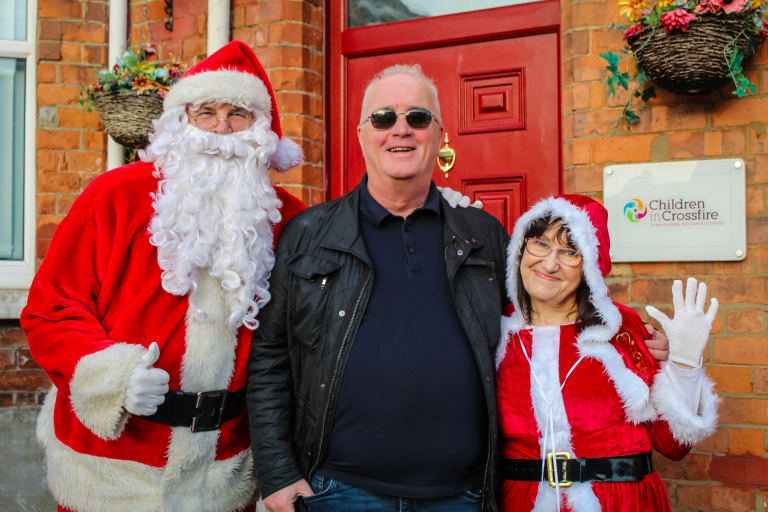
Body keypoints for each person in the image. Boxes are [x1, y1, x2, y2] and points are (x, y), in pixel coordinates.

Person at [246, 65, 670, 512]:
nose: (401, 130)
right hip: (340, 490)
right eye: (384, 118)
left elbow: (543, 310)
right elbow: (270, 360)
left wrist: (630, 334)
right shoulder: (308, 233)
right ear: (362, 134)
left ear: (440, 133)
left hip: (463, 494)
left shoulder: (482, 233)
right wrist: (277, 473)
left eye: (418, 118)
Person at [21, 41, 305, 512]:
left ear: (262, 132)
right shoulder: (115, 196)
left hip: (224, 470)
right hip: (110, 470)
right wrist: (111, 375)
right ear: (180, 121)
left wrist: (443, 211)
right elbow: (53, 307)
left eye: (238, 114)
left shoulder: (290, 219)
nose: (220, 129)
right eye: (205, 112)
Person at [495, 195, 719, 511]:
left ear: (589, 266)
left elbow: (675, 444)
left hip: (622, 502)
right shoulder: (494, 330)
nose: (549, 264)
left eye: (570, 252)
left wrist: (683, 363)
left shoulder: (622, 330)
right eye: (540, 244)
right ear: (521, 248)